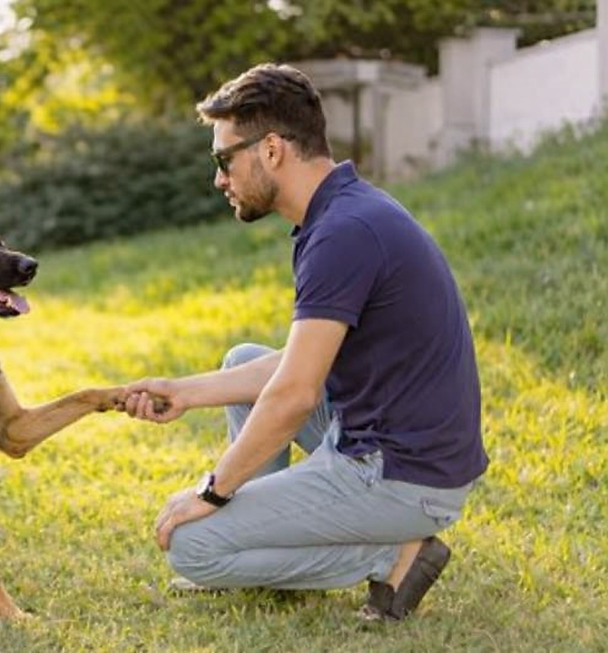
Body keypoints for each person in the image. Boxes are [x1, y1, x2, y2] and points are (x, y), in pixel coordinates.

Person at [124, 62, 488, 620]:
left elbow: (294, 395)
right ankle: (261, 543)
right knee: (244, 361)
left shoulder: (343, 233)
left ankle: (394, 555)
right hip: (388, 441)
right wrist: (184, 391)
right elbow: (298, 366)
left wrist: (212, 492)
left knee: (193, 546)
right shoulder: (342, 212)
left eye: (225, 160)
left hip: (402, 475)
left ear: (271, 150)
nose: (220, 178)